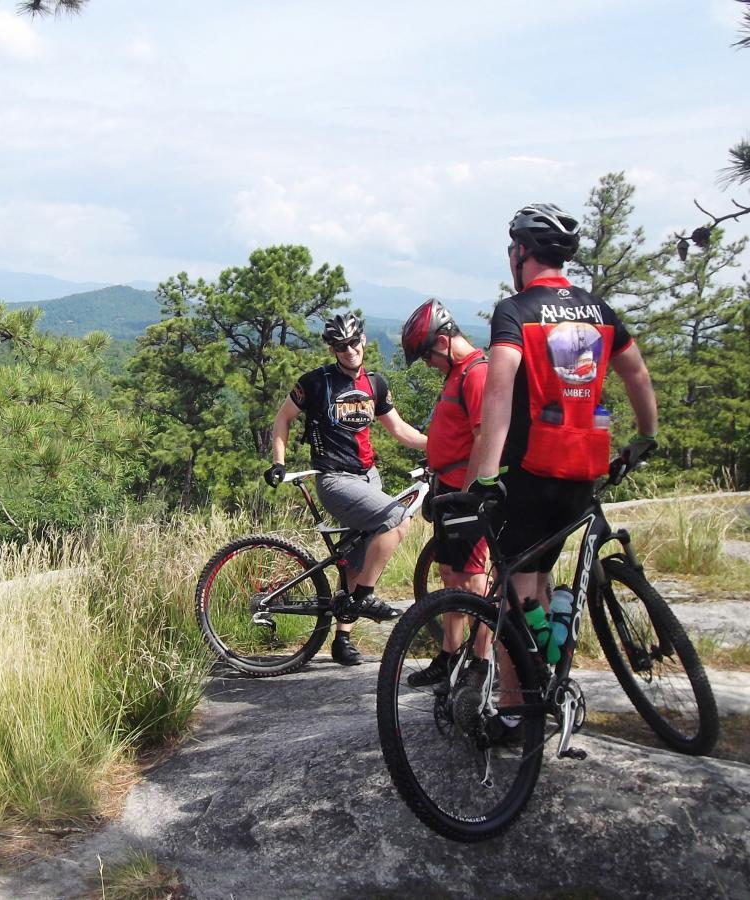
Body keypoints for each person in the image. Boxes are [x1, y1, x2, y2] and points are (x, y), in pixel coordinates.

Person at [469, 202, 659, 736]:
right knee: (545, 572)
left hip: (531, 469)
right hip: (587, 466)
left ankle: (514, 709)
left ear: (521, 253)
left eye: (512, 249)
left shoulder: (515, 310)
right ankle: (552, 671)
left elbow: (500, 391)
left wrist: (484, 478)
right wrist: (645, 438)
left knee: (509, 585)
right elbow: (638, 377)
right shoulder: (599, 311)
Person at [264, 312, 428, 666]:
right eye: (341, 346)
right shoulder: (316, 382)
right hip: (336, 480)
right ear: (332, 348)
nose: (350, 350)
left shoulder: (375, 384)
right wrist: (278, 462)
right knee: (398, 520)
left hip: (369, 478)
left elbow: (401, 431)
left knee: (356, 559)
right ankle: (365, 597)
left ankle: (342, 639)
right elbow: (282, 418)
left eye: (354, 342)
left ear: (363, 340)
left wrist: (443, 446)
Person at [399, 298, 490, 687]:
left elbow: (483, 439)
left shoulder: (476, 374)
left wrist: (469, 496)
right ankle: (450, 657)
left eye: (425, 356)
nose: (427, 364)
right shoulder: (458, 373)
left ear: (441, 342)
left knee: (473, 580)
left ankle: (480, 663)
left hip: (466, 496)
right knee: (451, 575)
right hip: (449, 491)